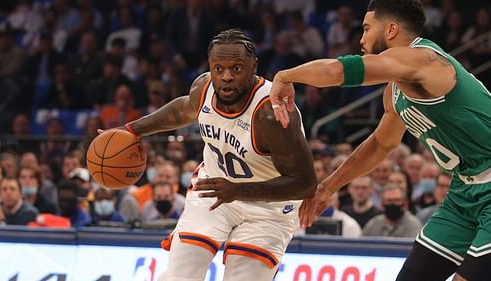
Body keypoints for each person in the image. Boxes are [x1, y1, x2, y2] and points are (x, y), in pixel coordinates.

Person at [269, 1, 491, 280]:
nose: (361, 39)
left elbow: (340, 71)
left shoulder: (423, 59)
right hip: (464, 193)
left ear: (392, 29)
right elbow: (380, 145)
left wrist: (285, 76)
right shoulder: (396, 91)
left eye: (366, 29)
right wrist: (328, 187)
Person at [115, 29, 316, 281]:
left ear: (254, 66)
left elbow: (306, 183)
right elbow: (184, 108)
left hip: (269, 209)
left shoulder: (271, 114)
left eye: (237, 68)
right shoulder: (204, 87)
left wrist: (238, 191)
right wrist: (132, 130)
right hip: (213, 189)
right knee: (182, 274)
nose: (226, 76)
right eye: (218, 68)